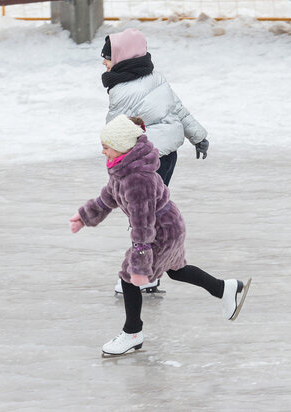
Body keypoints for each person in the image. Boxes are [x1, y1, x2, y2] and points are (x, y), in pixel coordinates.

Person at [69, 115, 250, 356]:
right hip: (168, 225)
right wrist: (84, 216)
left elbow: (142, 225)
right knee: (176, 270)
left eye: (106, 147)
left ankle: (132, 334)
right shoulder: (122, 170)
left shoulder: (137, 179)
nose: (102, 152)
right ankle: (224, 288)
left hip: (161, 231)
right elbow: (107, 198)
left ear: (122, 147)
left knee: (128, 276)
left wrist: (140, 265)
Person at [101, 28, 210, 295]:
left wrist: (115, 165)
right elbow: (179, 109)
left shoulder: (122, 90)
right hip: (168, 155)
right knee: (153, 212)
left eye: (107, 57)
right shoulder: (155, 78)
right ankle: (149, 272)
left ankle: (143, 273)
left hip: (143, 160)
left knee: (142, 216)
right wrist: (199, 137)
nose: (103, 63)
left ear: (122, 57)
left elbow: (115, 130)